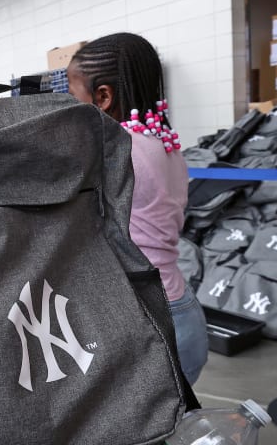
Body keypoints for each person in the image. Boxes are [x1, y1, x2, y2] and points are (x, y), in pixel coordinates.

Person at [67, 32, 208, 384]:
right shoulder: (165, 146)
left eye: (72, 97)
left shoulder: (115, 153)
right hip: (181, 309)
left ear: (102, 97)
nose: (67, 109)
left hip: (153, 320)